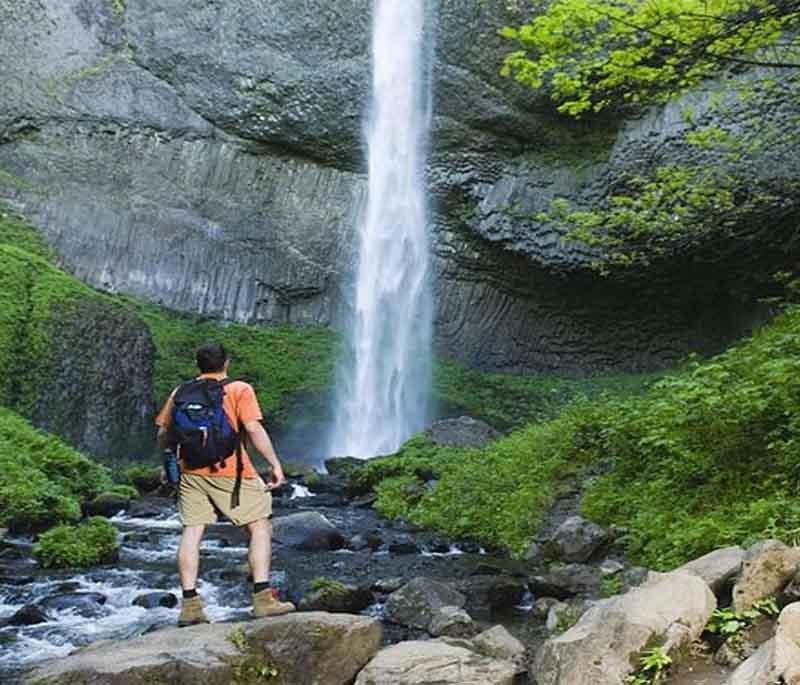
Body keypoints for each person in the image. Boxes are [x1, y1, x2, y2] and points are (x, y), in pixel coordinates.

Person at [155, 342, 295, 626]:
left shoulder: (180, 392)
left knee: (192, 532)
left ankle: (191, 606)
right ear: (226, 363)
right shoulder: (239, 389)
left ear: (198, 365)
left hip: (191, 472)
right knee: (259, 526)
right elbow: (254, 428)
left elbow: (163, 432)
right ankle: (262, 598)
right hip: (233, 472)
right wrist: (274, 465)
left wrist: (168, 464)